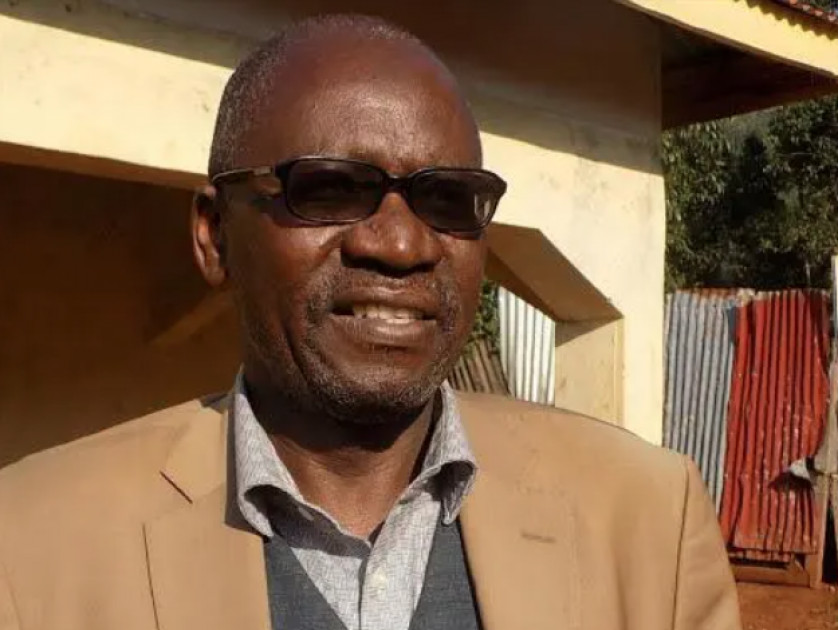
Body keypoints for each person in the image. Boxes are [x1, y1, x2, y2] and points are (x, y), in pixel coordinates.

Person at [0, 14, 740, 630]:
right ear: (215, 236)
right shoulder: (32, 547)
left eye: (447, 199)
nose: (400, 245)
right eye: (327, 188)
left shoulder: (648, 524)